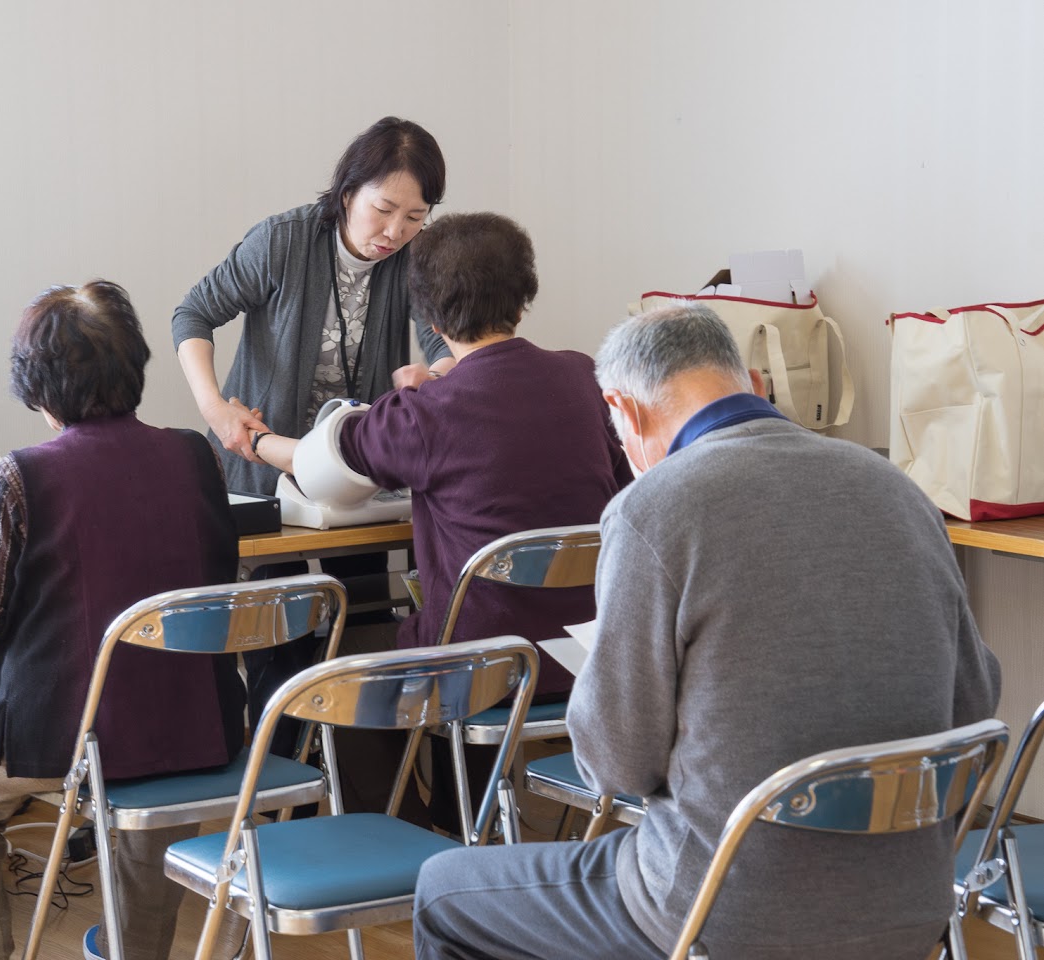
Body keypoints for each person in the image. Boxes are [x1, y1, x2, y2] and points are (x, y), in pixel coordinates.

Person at [411, 304, 1003, 960]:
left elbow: (618, 765)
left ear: (622, 409)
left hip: (722, 907)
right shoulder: (898, 490)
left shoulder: (653, 507)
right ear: (750, 379)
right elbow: (972, 700)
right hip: (912, 904)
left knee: (443, 891)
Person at [250, 212, 632, 822]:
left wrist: (254, 438)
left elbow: (318, 466)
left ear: (427, 315)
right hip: (583, 656)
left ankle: (398, 830)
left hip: (479, 672)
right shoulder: (583, 377)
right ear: (524, 295)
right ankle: (468, 819)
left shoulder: (427, 411)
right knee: (486, 619)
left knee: (346, 657)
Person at [0, 282, 246, 960]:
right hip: (193, 718)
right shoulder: (196, 455)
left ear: (35, 387)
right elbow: (218, 574)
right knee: (149, 785)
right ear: (134, 364)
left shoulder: (23, 475)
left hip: (65, 727)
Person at [174, 116, 454, 746]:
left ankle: (359, 784)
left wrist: (432, 372)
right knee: (282, 637)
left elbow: (443, 338)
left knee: (362, 626)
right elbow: (193, 313)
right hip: (267, 463)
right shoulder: (284, 240)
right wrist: (215, 406)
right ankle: (283, 798)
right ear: (348, 188)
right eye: (384, 209)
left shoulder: (413, 258)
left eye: (415, 217)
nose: (395, 232)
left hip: (359, 475)